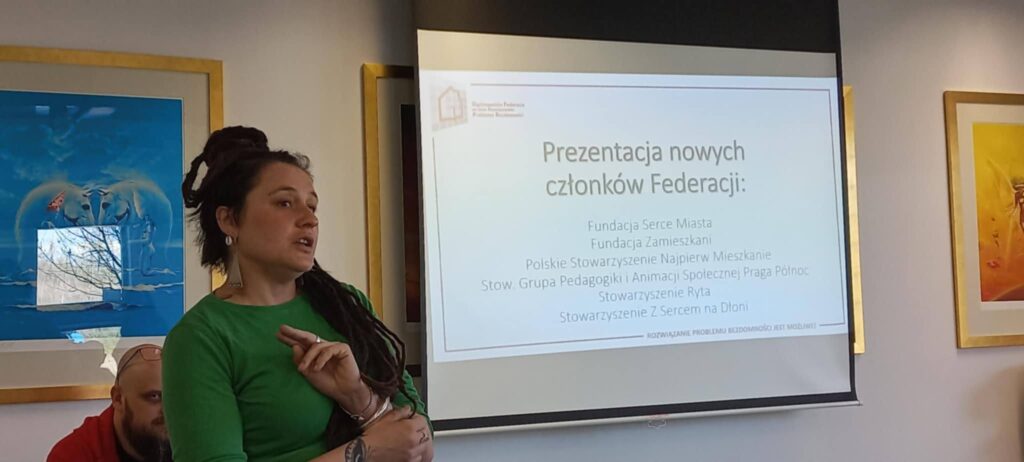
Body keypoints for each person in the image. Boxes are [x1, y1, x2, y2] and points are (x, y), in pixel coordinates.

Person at [163, 126, 433, 462]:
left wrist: (357, 395)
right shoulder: (199, 338)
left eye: (312, 207)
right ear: (230, 220)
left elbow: (421, 442)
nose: (309, 220)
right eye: (285, 203)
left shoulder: (346, 305)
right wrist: (366, 451)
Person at [48, 344, 171, 462]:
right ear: (118, 398)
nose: (168, 410)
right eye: (154, 396)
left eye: (174, 397)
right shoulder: (73, 455)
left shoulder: (180, 438)